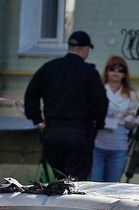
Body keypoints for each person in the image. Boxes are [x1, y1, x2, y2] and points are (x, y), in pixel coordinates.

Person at [23, 30, 108, 180]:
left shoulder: (49, 68)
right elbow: (100, 102)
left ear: (69, 47)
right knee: (76, 183)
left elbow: (31, 95)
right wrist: (97, 125)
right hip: (80, 134)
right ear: (86, 49)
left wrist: (38, 120)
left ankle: (47, 204)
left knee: (50, 180)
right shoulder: (89, 72)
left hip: (53, 132)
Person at [88, 55, 139, 183]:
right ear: (106, 71)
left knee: (112, 186)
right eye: (112, 69)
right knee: (94, 185)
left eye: (120, 69)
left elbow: (131, 125)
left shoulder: (131, 95)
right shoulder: (97, 90)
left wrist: (132, 120)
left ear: (124, 74)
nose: (116, 72)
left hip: (119, 147)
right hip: (97, 145)